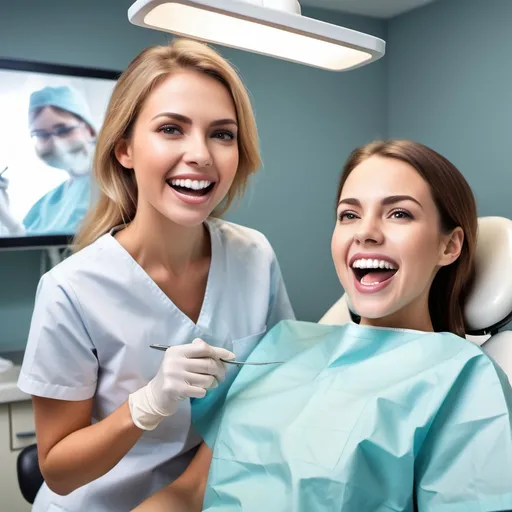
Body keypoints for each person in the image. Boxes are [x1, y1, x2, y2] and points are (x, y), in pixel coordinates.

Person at [134, 140, 512, 512]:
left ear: (450, 246)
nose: (366, 232)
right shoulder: (282, 344)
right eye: (349, 215)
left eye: (398, 214)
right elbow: (190, 492)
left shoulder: (461, 379)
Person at [17, 39, 294, 511]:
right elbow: (59, 472)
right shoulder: (72, 289)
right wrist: (147, 403)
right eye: (171, 129)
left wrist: (188, 492)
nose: (201, 154)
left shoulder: (254, 256)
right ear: (124, 149)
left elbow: (271, 391)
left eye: (222, 134)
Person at [23, 85, 97, 234]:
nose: (56, 144)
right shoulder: (48, 202)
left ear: (89, 130)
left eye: (63, 130)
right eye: (41, 135)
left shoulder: (116, 183)